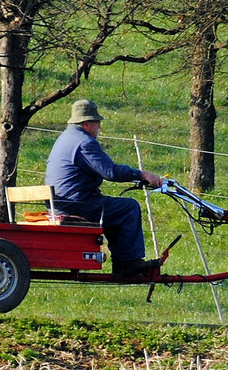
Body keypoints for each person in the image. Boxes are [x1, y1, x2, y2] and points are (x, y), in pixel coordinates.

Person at [45, 100, 164, 278]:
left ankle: (124, 262)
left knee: (112, 207)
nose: (99, 126)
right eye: (97, 122)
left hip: (61, 202)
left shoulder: (64, 139)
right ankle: (128, 264)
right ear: (86, 124)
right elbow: (110, 172)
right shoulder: (84, 142)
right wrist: (142, 174)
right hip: (76, 204)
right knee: (129, 208)